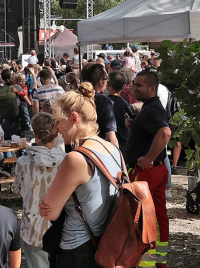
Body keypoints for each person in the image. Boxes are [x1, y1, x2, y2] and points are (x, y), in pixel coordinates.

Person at [39, 84, 122, 268]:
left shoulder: (76, 158)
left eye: (58, 122)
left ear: (74, 118)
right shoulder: (114, 150)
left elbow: (50, 210)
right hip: (107, 244)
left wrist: (45, 200)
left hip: (77, 249)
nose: (56, 130)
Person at [123, 70, 171, 268]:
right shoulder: (151, 107)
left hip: (147, 173)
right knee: (157, 215)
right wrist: (132, 128)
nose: (134, 88)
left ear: (152, 88)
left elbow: (165, 132)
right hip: (154, 171)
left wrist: (149, 158)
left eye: (138, 86)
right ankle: (158, 260)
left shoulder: (151, 109)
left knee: (144, 216)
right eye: (133, 85)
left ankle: (147, 262)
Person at [13, 113, 65, 268]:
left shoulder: (23, 162)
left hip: (33, 227)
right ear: (56, 132)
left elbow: (17, 189)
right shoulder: (67, 160)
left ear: (35, 134)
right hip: (60, 226)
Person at [81, 63, 119, 147]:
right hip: (95, 150)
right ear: (101, 82)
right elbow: (111, 138)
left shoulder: (74, 97)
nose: (107, 82)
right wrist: (117, 158)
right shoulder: (104, 101)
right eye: (106, 79)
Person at [107, 70, 132, 152]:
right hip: (123, 146)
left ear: (108, 83)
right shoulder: (126, 105)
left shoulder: (104, 103)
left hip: (107, 146)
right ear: (124, 86)